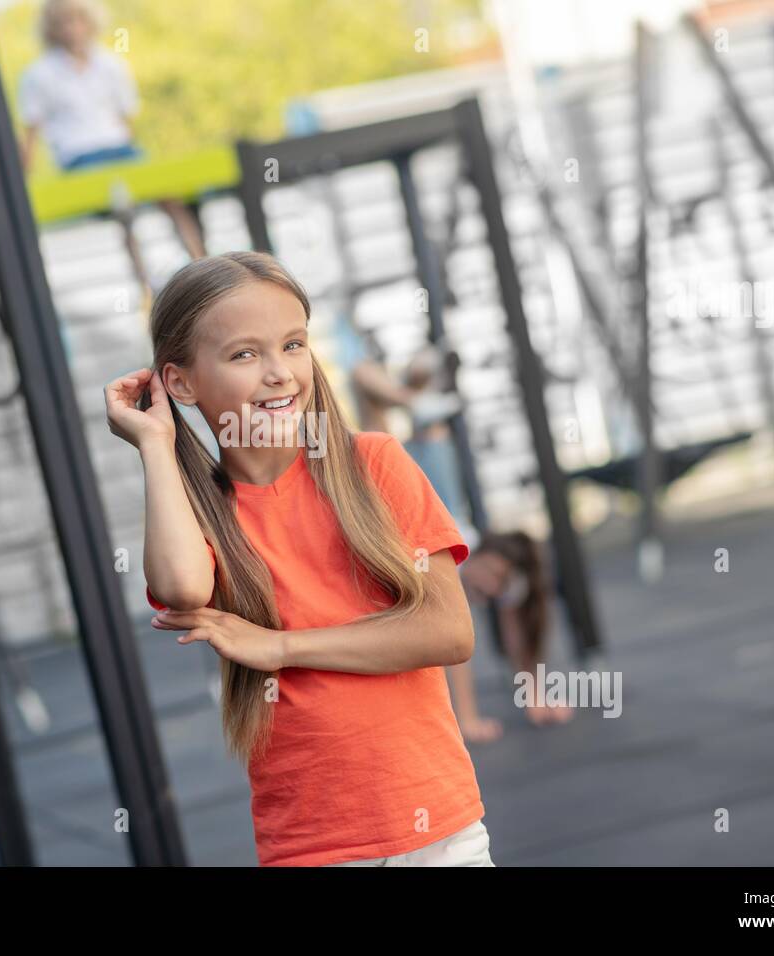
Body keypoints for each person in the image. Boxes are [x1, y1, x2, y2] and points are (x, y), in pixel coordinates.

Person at [103, 252, 493, 866]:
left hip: (442, 834)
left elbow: (448, 631)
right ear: (180, 383)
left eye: (292, 344)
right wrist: (154, 443)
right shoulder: (205, 519)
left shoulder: (376, 464)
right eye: (244, 354)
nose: (280, 372)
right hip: (313, 848)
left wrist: (282, 647)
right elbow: (181, 589)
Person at [17, 0, 206, 297]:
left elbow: (126, 120)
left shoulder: (110, 64)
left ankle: (203, 267)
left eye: (77, 20)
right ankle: (146, 288)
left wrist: (129, 154)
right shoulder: (39, 74)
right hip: (79, 157)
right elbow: (31, 133)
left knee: (171, 193)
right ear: (52, 28)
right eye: (64, 22)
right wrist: (20, 182)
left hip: (120, 149)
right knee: (123, 204)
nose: (73, 28)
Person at [452, 531, 574, 743]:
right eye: (489, 571)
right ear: (478, 553)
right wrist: (468, 721)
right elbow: (453, 647)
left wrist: (535, 698)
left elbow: (516, 634)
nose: (489, 586)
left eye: (498, 583)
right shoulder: (450, 555)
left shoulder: (502, 580)